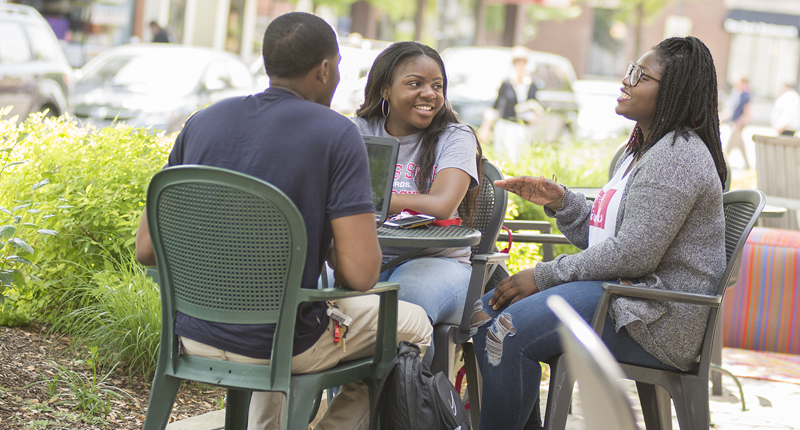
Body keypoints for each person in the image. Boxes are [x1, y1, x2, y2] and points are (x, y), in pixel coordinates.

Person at [134, 12, 431, 430]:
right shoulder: (336, 134)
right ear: (325, 69)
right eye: (339, 67)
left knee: (288, 313)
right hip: (282, 343)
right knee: (414, 325)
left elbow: (146, 250)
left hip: (192, 334)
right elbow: (361, 274)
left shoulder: (201, 122)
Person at [470, 36, 728, 430]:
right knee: (482, 317)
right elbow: (611, 239)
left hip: (654, 317)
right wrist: (561, 202)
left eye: (639, 75)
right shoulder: (636, 151)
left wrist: (542, 276)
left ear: (672, 90)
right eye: (630, 69)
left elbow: (633, 254)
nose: (625, 80)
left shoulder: (677, 155)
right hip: (625, 295)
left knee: (506, 331)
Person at [351, 41, 482, 333]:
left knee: (401, 309)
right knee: (319, 295)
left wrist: (367, 197)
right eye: (415, 83)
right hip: (366, 254)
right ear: (385, 88)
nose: (429, 93)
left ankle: (412, 380)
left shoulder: (455, 137)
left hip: (436, 262)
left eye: (437, 85)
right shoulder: (359, 132)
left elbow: (441, 205)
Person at [477, 46, 542, 157]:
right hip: (506, 126)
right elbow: (496, 106)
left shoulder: (532, 84)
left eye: (523, 62)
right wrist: (486, 127)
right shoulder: (507, 83)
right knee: (504, 155)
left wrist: (534, 115)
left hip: (524, 128)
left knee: (520, 156)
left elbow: (536, 104)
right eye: (518, 62)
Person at [722, 77, 751, 169]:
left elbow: (748, 113)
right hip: (734, 124)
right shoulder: (737, 95)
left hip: (737, 126)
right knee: (740, 145)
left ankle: (722, 164)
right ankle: (747, 165)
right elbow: (732, 110)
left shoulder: (745, 96)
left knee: (729, 146)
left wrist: (739, 123)